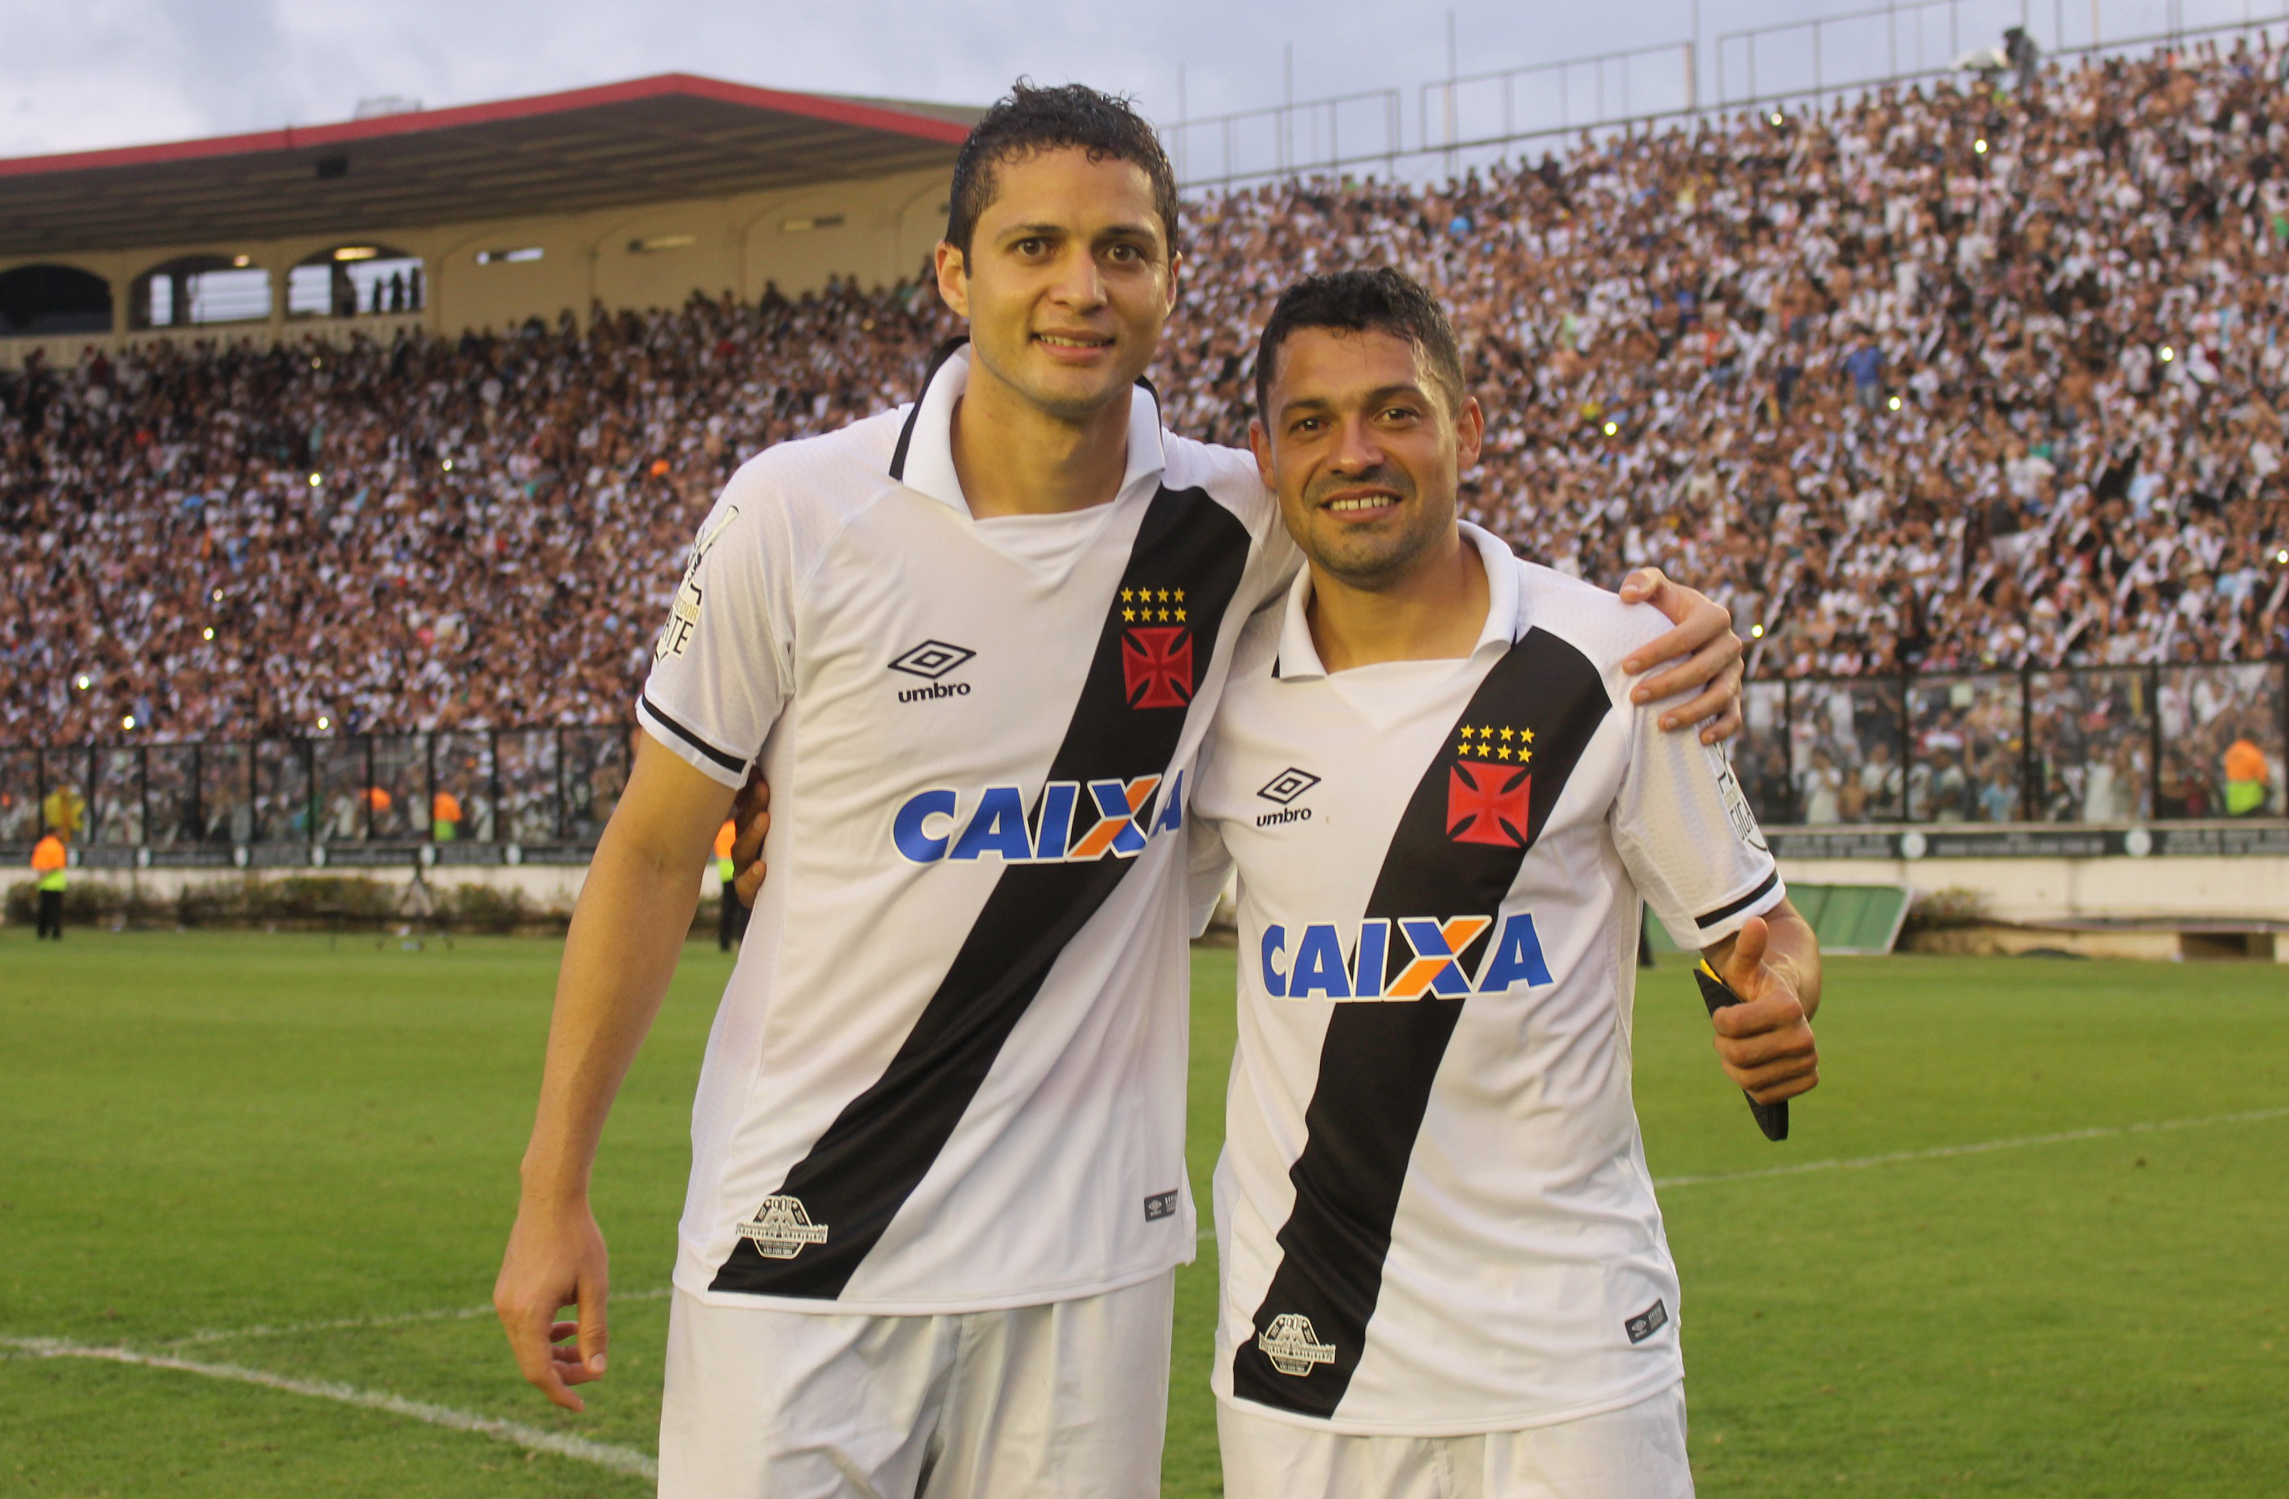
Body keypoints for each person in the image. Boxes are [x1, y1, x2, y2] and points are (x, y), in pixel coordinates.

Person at [495, 83, 1744, 1499]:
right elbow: (656, 853)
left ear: (1168, 281)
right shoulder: (797, 512)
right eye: (1034, 246)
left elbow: (1410, 516)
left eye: (1122, 251)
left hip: (1088, 1273)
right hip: (802, 1232)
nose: (1080, 288)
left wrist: (1671, 631)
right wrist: (553, 1187)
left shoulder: (1236, 520)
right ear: (955, 273)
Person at [1189, 268, 1820, 1499]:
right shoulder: (1217, 688)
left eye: (1397, 411)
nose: (1355, 452)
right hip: (1303, 1344)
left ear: (1467, 429)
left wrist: (1779, 997)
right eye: (1312, 422)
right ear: (1265, 457)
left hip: (1570, 1353)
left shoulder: (1617, 659)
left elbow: (1761, 929)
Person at [712, 816, 745, 951]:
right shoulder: (738, 827)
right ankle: (742, 939)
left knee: (727, 910)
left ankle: (724, 942)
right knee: (743, 910)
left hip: (725, 873)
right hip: (739, 871)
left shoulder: (721, 831)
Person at [32, 825, 68, 940]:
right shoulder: (57, 846)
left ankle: (41, 932)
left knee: (43, 909)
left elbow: (36, 864)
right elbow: (56, 865)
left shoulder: (41, 845)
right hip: (55, 884)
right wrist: (47, 873)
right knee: (55, 910)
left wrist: (41, 876)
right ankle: (56, 932)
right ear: (55, 833)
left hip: (43, 884)